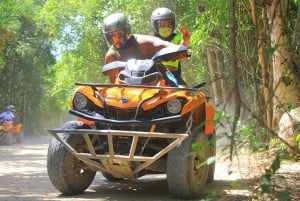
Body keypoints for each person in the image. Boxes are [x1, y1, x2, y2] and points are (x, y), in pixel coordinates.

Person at [102, 12, 181, 85]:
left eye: (120, 33)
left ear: (127, 30)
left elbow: (164, 44)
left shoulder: (143, 42)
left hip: (158, 79)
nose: (117, 39)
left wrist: (179, 51)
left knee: (184, 93)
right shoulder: (111, 56)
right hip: (129, 89)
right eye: (112, 35)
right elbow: (113, 81)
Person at [151, 7, 191, 87]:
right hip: (155, 77)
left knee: (186, 93)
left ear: (173, 25)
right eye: (161, 25)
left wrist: (185, 41)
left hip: (175, 76)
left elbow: (182, 46)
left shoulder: (176, 38)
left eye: (168, 24)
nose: (165, 27)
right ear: (155, 25)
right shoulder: (150, 40)